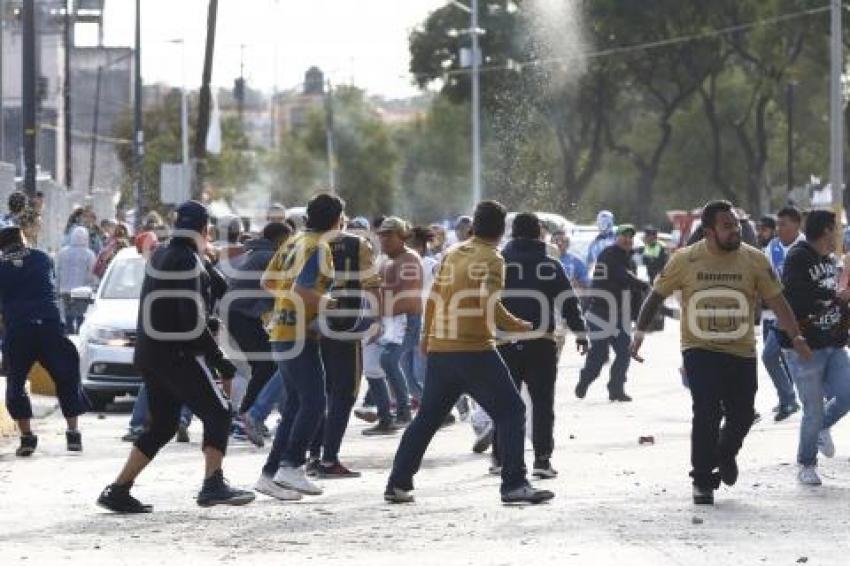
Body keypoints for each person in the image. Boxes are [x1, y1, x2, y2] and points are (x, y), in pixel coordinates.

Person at [631, 200, 810, 505]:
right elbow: (656, 296)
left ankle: (725, 453)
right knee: (707, 411)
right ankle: (702, 480)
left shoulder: (754, 260)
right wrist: (638, 334)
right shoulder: (685, 260)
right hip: (699, 348)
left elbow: (778, 302)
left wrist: (796, 336)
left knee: (742, 414)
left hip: (741, 349)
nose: (735, 231)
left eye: (736, 225)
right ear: (709, 231)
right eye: (727, 226)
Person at [384, 200, 554, 505]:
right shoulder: (493, 259)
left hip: (441, 348)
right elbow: (488, 300)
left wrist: (426, 336)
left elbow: (433, 296)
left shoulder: (453, 253)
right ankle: (514, 484)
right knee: (512, 411)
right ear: (502, 230)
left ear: (474, 226)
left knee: (427, 419)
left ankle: (398, 483)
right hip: (474, 349)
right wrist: (517, 324)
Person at [97, 200, 254, 513]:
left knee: (164, 426)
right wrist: (218, 357)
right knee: (219, 412)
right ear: (204, 229)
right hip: (177, 353)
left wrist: (209, 274)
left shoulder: (163, 253)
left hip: (150, 354)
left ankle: (118, 489)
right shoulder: (188, 262)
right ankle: (213, 484)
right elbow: (191, 321)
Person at [256, 193, 344, 500]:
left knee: (294, 404)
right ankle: (291, 466)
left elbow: (268, 282)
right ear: (336, 221)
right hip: (298, 332)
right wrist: (332, 303)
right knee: (315, 402)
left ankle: (271, 474)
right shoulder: (318, 247)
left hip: (282, 327)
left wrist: (291, 302)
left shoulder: (292, 241)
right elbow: (302, 289)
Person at [492, 213, 588, 479]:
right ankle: (542, 461)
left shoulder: (498, 263)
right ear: (539, 235)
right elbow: (568, 302)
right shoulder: (550, 264)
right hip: (541, 343)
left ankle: (501, 457)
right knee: (543, 403)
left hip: (504, 344)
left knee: (505, 403)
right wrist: (580, 332)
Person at [0, 223, 90, 457]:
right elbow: (48, 284)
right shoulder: (41, 258)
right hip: (49, 326)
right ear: (22, 239)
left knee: (16, 383)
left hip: (19, 331)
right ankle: (73, 435)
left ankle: (27, 438)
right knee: (67, 376)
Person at [778, 210, 850, 486]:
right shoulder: (798, 257)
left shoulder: (830, 260)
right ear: (825, 230)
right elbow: (794, 295)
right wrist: (833, 295)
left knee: (845, 394)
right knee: (813, 408)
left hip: (832, 343)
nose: (839, 234)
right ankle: (806, 463)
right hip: (803, 345)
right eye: (836, 229)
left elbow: (835, 302)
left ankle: (820, 429)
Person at [306, 221, 379, 477]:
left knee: (322, 390)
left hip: (311, 325)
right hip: (345, 325)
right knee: (344, 392)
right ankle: (328, 459)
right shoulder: (357, 244)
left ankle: (313, 455)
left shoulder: (302, 243)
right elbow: (371, 285)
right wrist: (374, 320)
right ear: (340, 218)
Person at [223, 221, 292, 447]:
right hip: (241, 314)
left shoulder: (258, 252)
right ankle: (246, 417)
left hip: (240, 313)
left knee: (265, 365)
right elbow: (282, 289)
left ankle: (249, 415)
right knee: (267, 364)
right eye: (288, 240)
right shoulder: (268, 257)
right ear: (280, 239)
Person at [575, 224, 648, 402]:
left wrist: (638, 317)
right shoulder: (608, 254)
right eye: (624, 236)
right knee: (600, 355)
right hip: (600, 313)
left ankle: (616, 389)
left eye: (631, 237)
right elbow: (623, 276)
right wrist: (645, 285)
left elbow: (633, 291)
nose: (628, 240)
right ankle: (585, 379)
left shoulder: (629, 260)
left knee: (625, 352)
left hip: (620, 316)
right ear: (616, 237)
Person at [364, 217, 423, 433]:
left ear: (402, 236)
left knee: (389, 361)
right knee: (373, 366)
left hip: (405, 320)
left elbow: (407, 299)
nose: (384, 239)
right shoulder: (384, 260)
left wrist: (378, 316)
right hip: (387, 321)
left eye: (390, 235)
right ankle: (386, 417)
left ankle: (405, 413)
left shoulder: (408, 260)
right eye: (382, 235)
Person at [762, 206, 805, 421]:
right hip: (780, 315)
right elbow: (766, 274)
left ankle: (816, 404)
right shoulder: (773, 247)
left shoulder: (808, 247)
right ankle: (788, 399)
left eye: (783, 224)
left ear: (797, 224)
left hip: (804, 316)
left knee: (803, 362)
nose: (778, 229)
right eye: (777, 225)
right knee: (770, 356)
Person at [56, 226, 98, 334]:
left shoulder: (62, 252)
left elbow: (58, 271)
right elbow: (92, 273)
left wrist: (57, 288)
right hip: (82, 291)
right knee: (80, 314)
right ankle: (79, 334)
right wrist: (93, 287)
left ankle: (69, 333)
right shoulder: (89, 254)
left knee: (68, 314)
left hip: (65, 289)